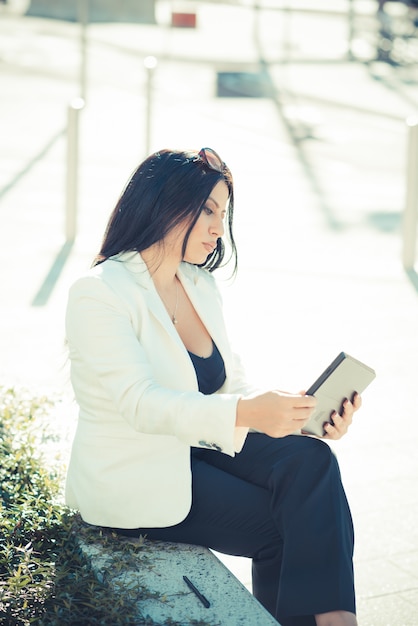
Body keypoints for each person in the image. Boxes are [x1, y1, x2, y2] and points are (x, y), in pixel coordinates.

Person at [65, 147, 362, 626]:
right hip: (137, 476)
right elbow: (140, 404)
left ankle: (334, 621)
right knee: (294, 526)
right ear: (163, 202)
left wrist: (294, 418)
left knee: (312, 459)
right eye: (207, 210)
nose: (217, 228)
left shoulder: (198, 284)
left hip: (198, 449)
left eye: (222, 214)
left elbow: (231, 388)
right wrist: (248, 413)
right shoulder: (100, 291)